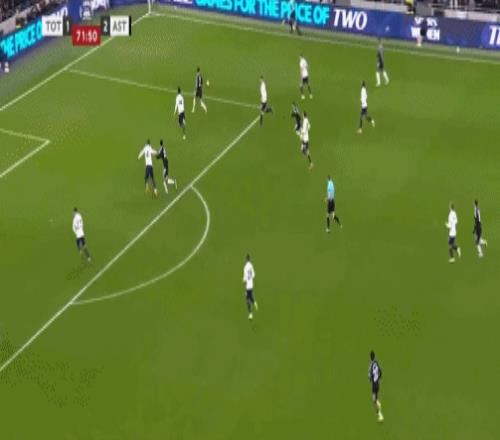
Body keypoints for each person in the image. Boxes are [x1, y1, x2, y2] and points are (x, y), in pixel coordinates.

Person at [368, 351, 384, 422]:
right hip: (378, 383)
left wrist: (370, 380)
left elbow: (369, 376)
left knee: (374, 401)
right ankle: (378, 403)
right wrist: (379, 378)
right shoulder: (376, 363)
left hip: (374, 385)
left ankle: (380, 415)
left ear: (370, 357)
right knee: (375, 398)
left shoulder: (371, 365)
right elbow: (380, 371)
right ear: (374, 356)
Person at [243, 254, 258, 320]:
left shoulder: (245, 267)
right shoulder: (251, 265)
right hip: (251, 284)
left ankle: (250, 314)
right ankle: (254, 303)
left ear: (246, 259)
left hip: (247, 286)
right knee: (250, 296)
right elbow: (254, 275)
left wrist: (243, 280)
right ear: (250, 259)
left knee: (247, 300)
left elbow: (245, 278)